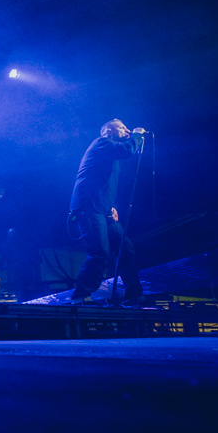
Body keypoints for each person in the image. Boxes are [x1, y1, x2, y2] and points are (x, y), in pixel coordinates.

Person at [68, 119, 146, 305]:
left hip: (103, 208)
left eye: (127, 128)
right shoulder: (101, 143)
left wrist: (111, 205)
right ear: (109, 131)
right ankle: (80, 295)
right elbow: (126, 151)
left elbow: (102, 182)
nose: (127, 130)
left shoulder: (110, 151)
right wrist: (137, 135)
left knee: (125, 249)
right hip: (88, 206)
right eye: (121, 127)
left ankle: (134, 294)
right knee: (99, 253)